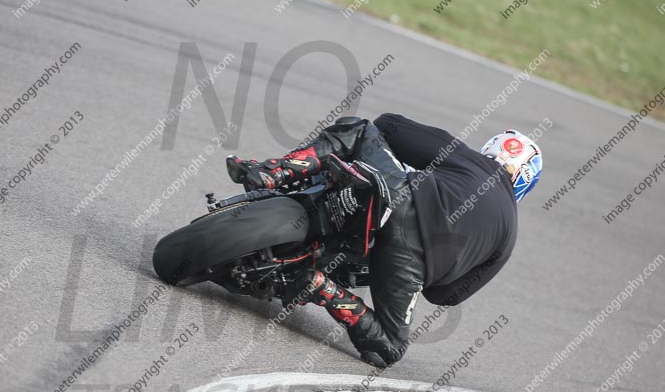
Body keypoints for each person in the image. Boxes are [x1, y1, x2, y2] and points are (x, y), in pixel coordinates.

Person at [226, 114, 543, 368]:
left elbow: (387, 125)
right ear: (524, 185)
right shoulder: (509, 235)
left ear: (490, 149)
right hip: (412, 264)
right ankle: (324, 287)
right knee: (390, 346)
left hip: (400, 199)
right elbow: (445, 295)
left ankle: (275, 173)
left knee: (360, 129)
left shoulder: (467, 159)